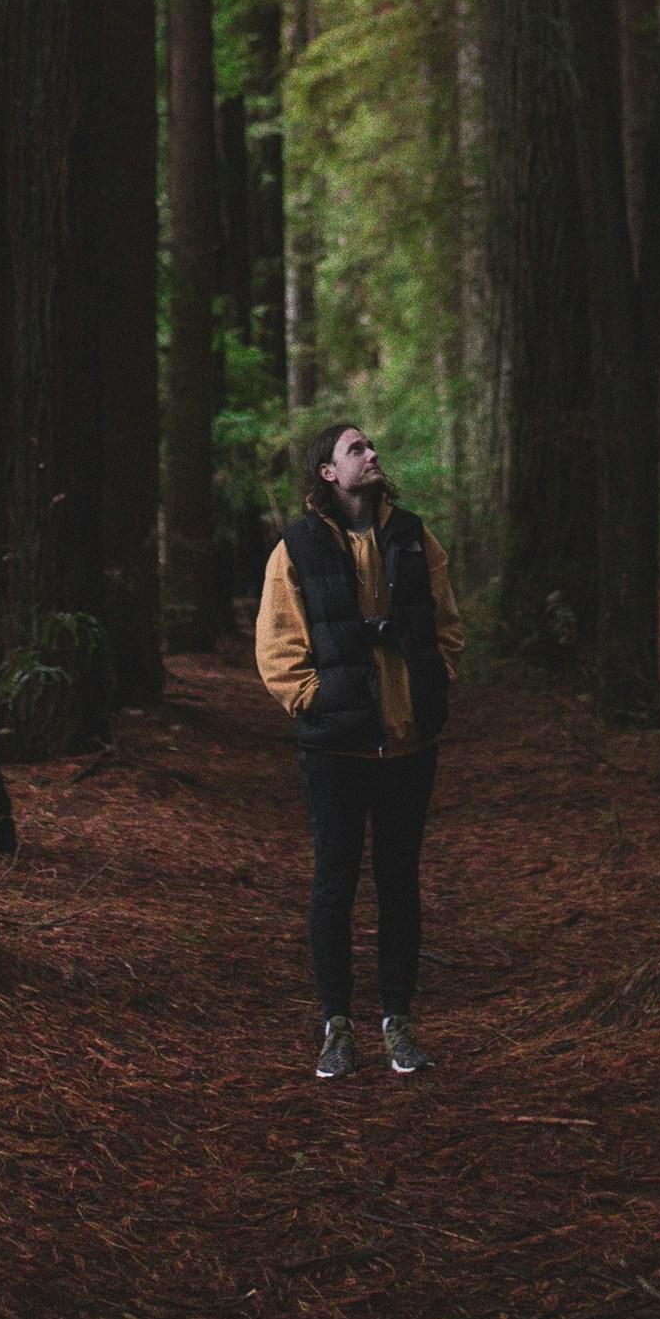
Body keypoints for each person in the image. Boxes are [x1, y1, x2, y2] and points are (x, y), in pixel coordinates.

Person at [255, 421, 464, 1081]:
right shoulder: (296, 547)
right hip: (336, 750)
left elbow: (446, 625)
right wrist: (317, 700)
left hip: (408, 743)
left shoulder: (411, 535)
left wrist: (432, 683)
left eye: (372, 446)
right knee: (334, 881)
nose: (372, 454)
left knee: (399, 881)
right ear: (327, 472)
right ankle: (336, 1024)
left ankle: (398, 1019)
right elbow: (277, 645)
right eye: (356, 449)